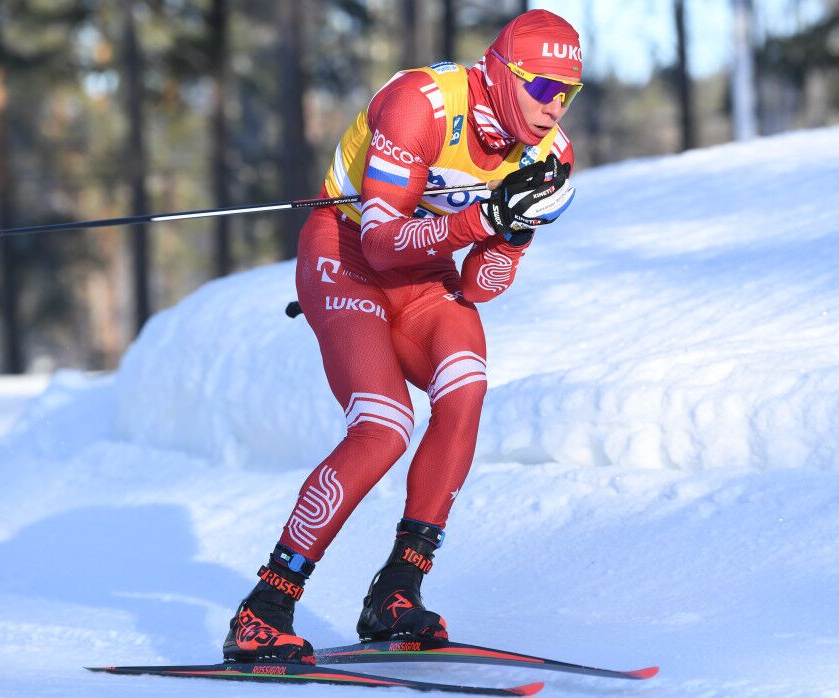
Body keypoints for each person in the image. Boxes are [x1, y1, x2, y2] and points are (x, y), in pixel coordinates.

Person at [223, 9, 582, 664]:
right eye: (542, 87)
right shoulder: (420, 104)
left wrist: (514, 231)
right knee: (385, 425)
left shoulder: (548, 156)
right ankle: (264, 607)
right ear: (503, 75)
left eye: (569, 91)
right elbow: (383, 244)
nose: (554, 105)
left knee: (466, 385)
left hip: (425, 271)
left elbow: (478, 287)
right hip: (348, 250)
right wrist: (482, 218)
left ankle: (396, 590)